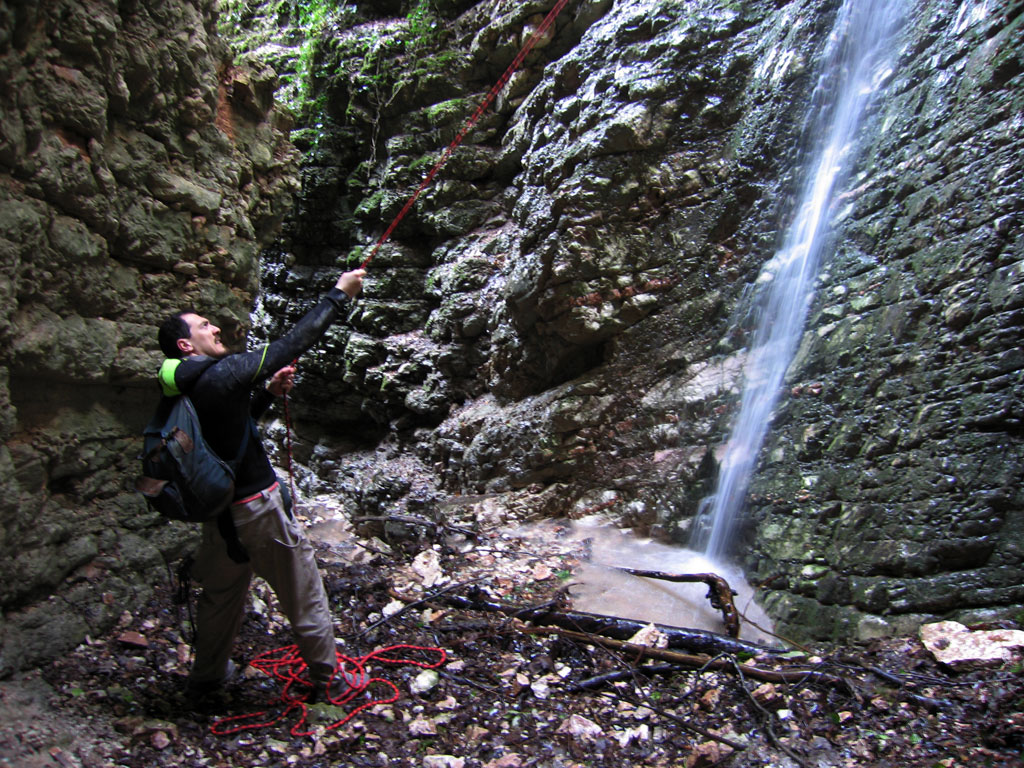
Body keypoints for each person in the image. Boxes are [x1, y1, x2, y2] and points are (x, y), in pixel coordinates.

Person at [156, 268, 366, 702]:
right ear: (186, 345)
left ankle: (206, 681)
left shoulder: (182, 387)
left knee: (220, 597)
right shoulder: (223, 372)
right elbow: (290, 345)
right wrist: (339, 295)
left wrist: (267, 393)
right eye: (203, 326)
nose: (215, 328)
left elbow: (229, 432)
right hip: (258, 511)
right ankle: (331, 681)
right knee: (303, 590)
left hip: (220, 516)